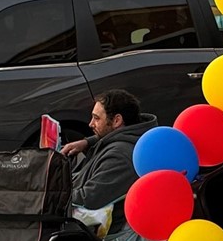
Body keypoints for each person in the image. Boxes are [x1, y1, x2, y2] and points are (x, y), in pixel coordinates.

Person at [60, 90, 159, 233]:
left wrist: (50, 193)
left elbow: (88, 199)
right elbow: (114, 136)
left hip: (89, 221)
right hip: (82, 203)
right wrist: (87, 142)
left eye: (96, 118)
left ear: (117, 120)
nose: (90, 124)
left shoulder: (119, 157)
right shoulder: (132, 137)